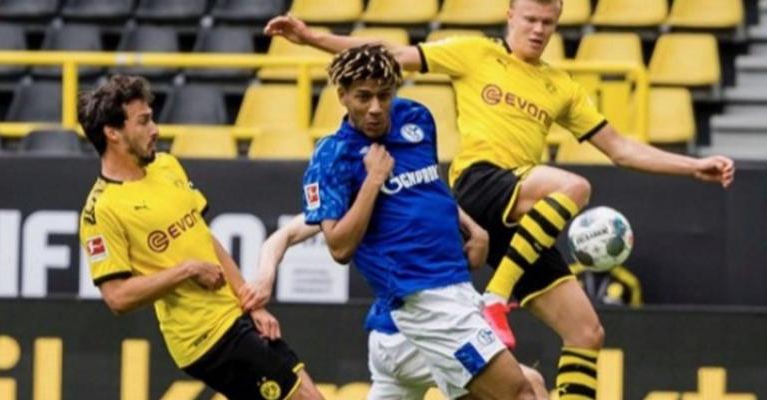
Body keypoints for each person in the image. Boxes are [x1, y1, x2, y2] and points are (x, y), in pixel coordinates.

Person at [264, 1, 736, 398]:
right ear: (510, 15)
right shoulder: (476, 53)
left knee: (586, 332)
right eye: (530, 19)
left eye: (548, 22)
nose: (538, 30)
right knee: (573, 187)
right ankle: (495, 296)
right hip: (481, 184)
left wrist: (692, 166)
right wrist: (311, 38)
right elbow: (389, 55)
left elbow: (622, 149)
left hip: (522, 219)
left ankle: (497, 294)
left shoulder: (561, 87)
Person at [299, 43, 535, 399]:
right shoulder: (333, 156)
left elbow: (426, 187)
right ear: (342, 96)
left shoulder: (416, 118)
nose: (376, 108)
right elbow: (339, 247)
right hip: (424, 301)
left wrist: (472, 228)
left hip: (451, 288)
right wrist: (373, 181)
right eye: (363, 97)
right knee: (520, 392)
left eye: (384, 95)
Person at [77, 75, 324, 400]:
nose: (155, 129)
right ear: (113, 133)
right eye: (144, 121)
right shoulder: (101, 210)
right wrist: (187, 270)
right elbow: (117, 297)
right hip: (206, 338)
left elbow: (205, 238)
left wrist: (251, 305)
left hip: (234, 314)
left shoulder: (167, 166)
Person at [241, 214, 551, 399]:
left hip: (388, 346)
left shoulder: (421, 186)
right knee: (529, 384)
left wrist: (475, 230)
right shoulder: (355, 199)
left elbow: (469, 231)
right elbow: (283, 235)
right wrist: (265, 277)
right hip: (416, 337)